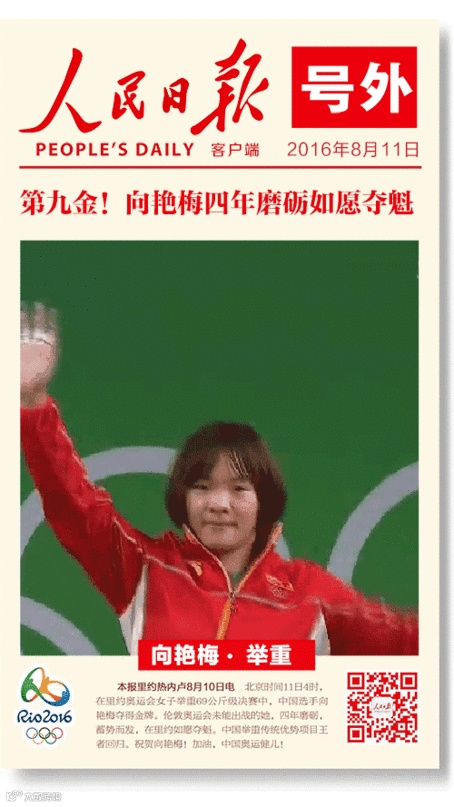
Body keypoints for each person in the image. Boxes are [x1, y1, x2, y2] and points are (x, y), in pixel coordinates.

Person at [20, 303, 418, 656]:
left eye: (239, 489)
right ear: (182, 496)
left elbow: (411, 642)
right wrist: (32, 400)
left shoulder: (311, 595)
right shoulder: (144, 569)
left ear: (263, 501)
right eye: (202, 487)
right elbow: (71, 502)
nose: (218, 504)